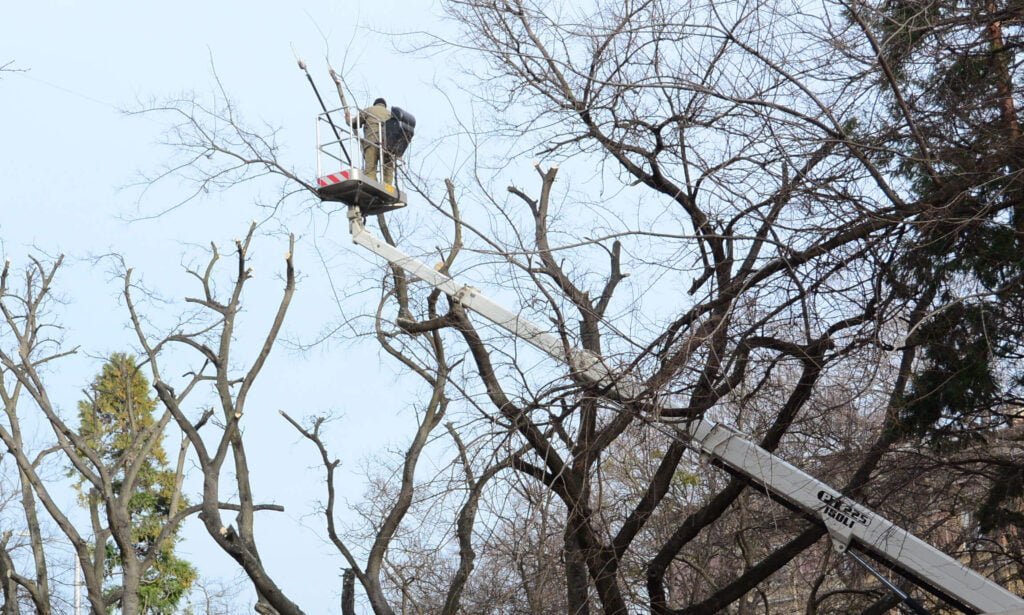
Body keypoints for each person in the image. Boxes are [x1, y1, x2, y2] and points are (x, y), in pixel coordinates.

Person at [351, 97, 394, 185]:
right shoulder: (391, 115)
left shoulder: (369, 110)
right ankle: (389, 188)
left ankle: (372, 184)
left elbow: (355, 123)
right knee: (388, 171)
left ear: (375, 104)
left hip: (372, 142)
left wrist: (349, 120)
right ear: (384, 106)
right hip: (388, 146)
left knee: (370, 170)